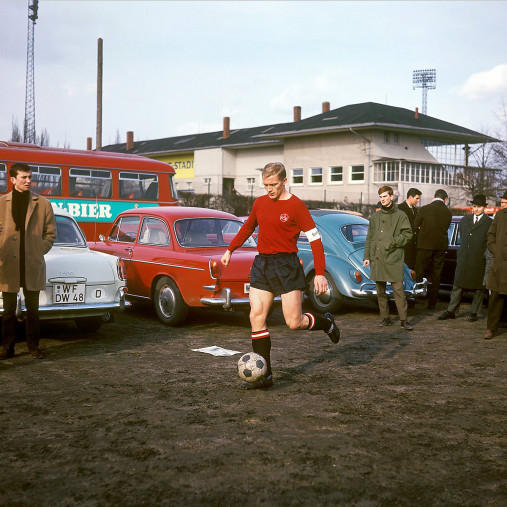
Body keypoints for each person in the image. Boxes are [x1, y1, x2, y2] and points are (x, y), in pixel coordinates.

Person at [221, 162, 340, 389]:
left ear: (284, 181)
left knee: (293, 322)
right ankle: (265, 374)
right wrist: (230, 249)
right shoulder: (260, 203)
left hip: (287, 265)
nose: (269, 189)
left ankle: (326, 322)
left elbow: (315, 240)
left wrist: (320, 274)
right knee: (256, 316)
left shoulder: (296, 206)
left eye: (273, 184)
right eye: (265, 185)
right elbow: (247, 227)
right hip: (262, 263)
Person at [0, 163, 56, 360]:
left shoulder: (43, 204)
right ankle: (7, 346)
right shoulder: (1, 202)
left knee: (33, 309)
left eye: (30, 177)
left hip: (32, 262)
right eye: (23, 177)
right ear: (13, 179)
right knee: (8, 311)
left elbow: (50, 233)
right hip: (8, 263)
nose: (28, 181)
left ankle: (34, 346)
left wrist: (40, 249)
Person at [364, 186, 414, 330]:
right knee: (380, 290)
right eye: (380, 197)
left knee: (399, 290)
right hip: (378, 257)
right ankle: (385, 318)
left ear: (391, 197)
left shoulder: (401, 215)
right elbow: (370, 238)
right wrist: (367, 256)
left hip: (394, 257)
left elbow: (407, 234)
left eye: (385, 196)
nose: (383, 199)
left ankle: (404, 320)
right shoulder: (375, 217)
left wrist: (393, 243)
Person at [437, 195, 492, 322]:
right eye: (474, 206)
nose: (476, 209)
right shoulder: (465, 220)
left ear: (484, 207)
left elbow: (489, 241)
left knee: (478, 287)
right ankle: (451, 311)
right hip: (464, 257)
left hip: (479, 258)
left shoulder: (489, 222)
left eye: (479, 207)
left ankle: (474, 312)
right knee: (458, 285)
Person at [413, 189, 452, 309]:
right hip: (440, 246)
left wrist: (422, 230)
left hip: (424, 245)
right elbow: (446, 227)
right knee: (436, 275)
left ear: (434, 196)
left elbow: (415, 226)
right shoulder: (448, 212)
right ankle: (432, 302)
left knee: (419, 272)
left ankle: (414, 298)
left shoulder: (424, 209)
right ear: (445, 199)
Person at [484, 192, 507, 339]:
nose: (503, 205)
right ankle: (491, 328)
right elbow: (490, 235)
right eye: (503, 202)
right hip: (500, 264)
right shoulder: (500, 216)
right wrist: (495, 250)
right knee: (495, 298)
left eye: (506, 202)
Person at [397, 188, 422, 273]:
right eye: (417, 198)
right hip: (404, 245)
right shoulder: (400, 208)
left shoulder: (415, 210)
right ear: (410, 197)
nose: (418, 201)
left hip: (413, 245)